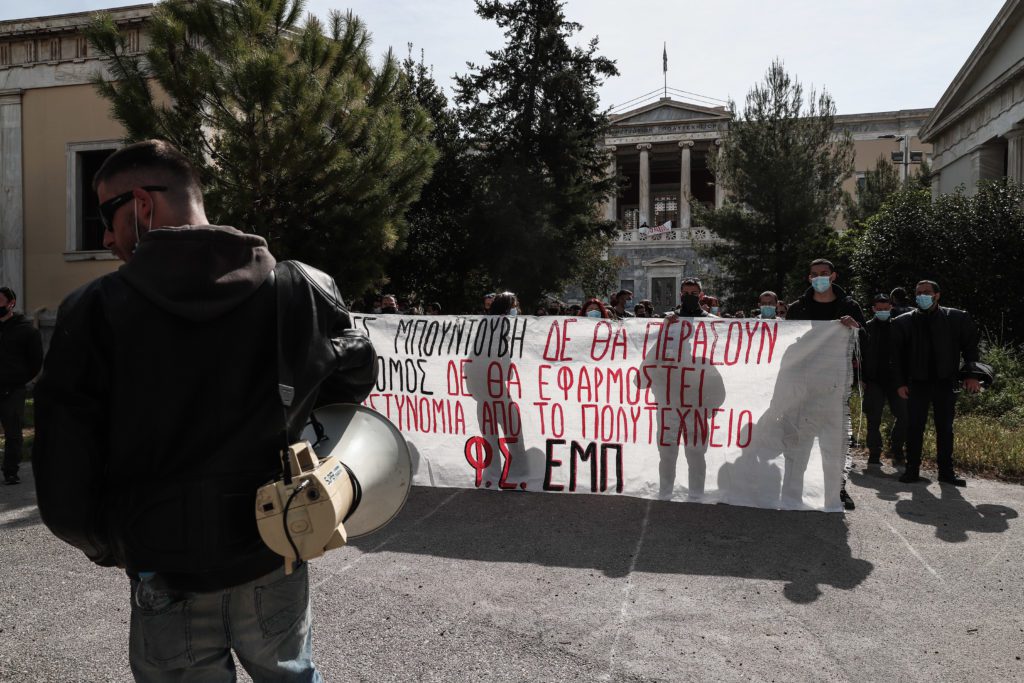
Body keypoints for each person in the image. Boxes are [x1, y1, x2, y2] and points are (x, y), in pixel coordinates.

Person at [32, 140, 376, 681]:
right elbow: (350, 391)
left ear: (143, 205)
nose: (103, 235)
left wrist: (117, 543)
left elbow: (62, 473)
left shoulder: (93, 310)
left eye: (106, 214)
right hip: (278, 542)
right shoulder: (303, 288)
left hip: (164, 561)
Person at [785, 258, 864, 510]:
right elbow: (785, 343)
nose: (819, 278)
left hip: (835, 387)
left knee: (835, 443)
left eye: (824, 274)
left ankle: (837, 490)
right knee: (799, 442)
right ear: (809, 278)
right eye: (814, 274)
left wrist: (855, 329)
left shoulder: (849, 306)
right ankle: (792, 490)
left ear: (833, 276)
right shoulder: (797, 308)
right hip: (803, 386)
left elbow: (865, 342)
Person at [891, 280, 981, 486]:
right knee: (914, 428)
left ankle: (946, 472)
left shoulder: (957, 318)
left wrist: (972, 375)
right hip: (916, 383)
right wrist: (900, 383)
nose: (922, 296)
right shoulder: (902, 322)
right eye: (918, 293)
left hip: (945, 382)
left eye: (927, 292)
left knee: (945, 428)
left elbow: (970, 349)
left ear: (937, 295)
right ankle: (912, 470)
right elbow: (896, 358)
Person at [0, 287, 43, 485]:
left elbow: (35, 362)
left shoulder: (26, 330)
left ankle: (10, 471)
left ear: (11, 303)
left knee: (13, 432)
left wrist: (18, 380)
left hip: (13, 389)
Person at [860, 294, 907, 466]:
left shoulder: (899, 326)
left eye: (885, 309)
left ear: (891, 308)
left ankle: (897, 449)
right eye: (879, 309)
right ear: (873, 309)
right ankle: (874, 453)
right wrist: (862, 378)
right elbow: (860, 355)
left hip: (897, 381)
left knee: (904, 416)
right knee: (873, 418)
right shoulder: (866, 328)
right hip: (874, 380)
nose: (882, 312)